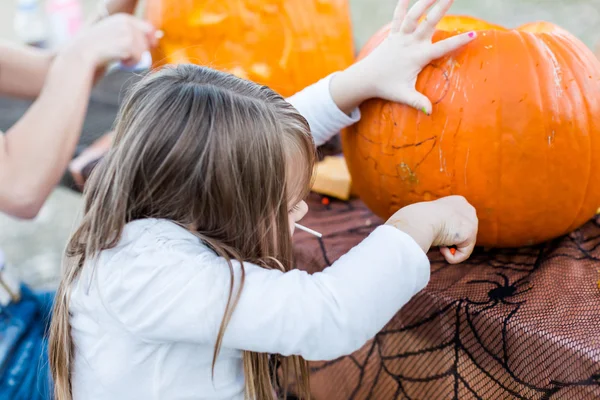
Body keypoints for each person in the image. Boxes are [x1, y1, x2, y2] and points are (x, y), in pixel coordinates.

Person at [49, 0, 479, 399]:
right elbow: (328, 316)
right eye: (286, 201)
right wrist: (416, 225)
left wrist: (362, 79)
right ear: (223, 196)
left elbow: (251, 151)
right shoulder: (147, 274)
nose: (303, 208)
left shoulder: (156, 223)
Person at [0, 14, 157, 399]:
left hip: (16, 304)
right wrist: (85, 52)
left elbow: (48, 71)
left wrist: (115, 15)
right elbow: (19, 186)